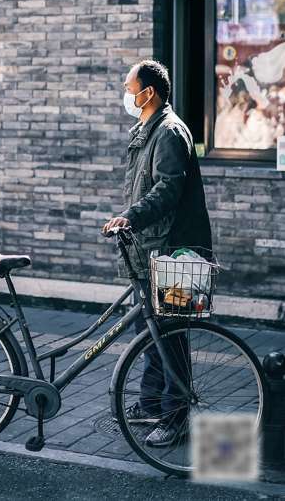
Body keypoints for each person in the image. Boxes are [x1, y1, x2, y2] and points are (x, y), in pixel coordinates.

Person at [102, 59, 213, 448]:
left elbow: (167, 190)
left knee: (170, 338)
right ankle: (151, 404)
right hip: (151, 253)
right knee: (149, 334)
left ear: (149, 92)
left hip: (175, 255)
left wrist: (129, 216)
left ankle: (175, 416)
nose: (126, 95)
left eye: (130, 88)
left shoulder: (168, 133)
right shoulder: (148, 130)